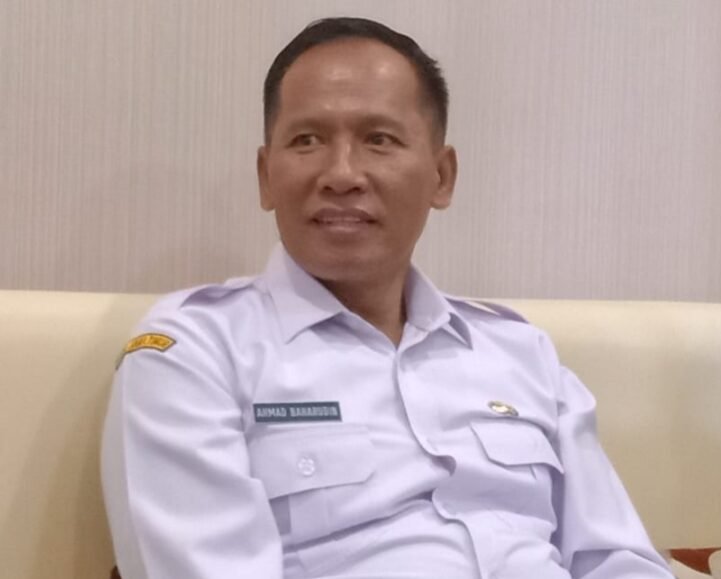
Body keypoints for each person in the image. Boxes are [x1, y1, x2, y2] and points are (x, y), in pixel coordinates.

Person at [102, 17, 674, 579]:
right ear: (266, 176)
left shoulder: (521, 352)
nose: (342, 174)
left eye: (379, 140)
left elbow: (617, 559)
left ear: (442, 177)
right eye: (307, 140)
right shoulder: (194, 352)